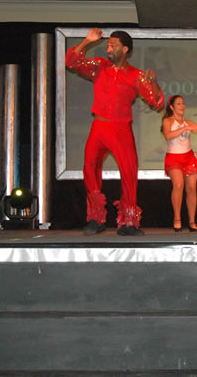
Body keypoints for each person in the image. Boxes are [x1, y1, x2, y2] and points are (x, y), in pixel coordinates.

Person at [66, 28, 164, 236]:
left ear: (125, 49)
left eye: (113, 46)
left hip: (121, 128)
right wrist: (86, 41)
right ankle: (95, 219)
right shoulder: (100, 67)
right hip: (99, 126)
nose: (108, 49)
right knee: (90, 168)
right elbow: (72, 62)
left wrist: (153, 82)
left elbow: (157, 101)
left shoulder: (137, 75)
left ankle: (128, 223)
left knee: (129, 172)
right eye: (108, 45)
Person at [161, 95, 197, 232]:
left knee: (191, 189)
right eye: (178, 103)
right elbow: (168, 135)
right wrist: (183, 129)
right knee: (178, 184)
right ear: (172, 107)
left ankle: (192, 221)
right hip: (174, 158)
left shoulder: (188, 122)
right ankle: (177, 219)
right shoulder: (168, 121)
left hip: (188, 157)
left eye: (183, 103)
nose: (182, 106)